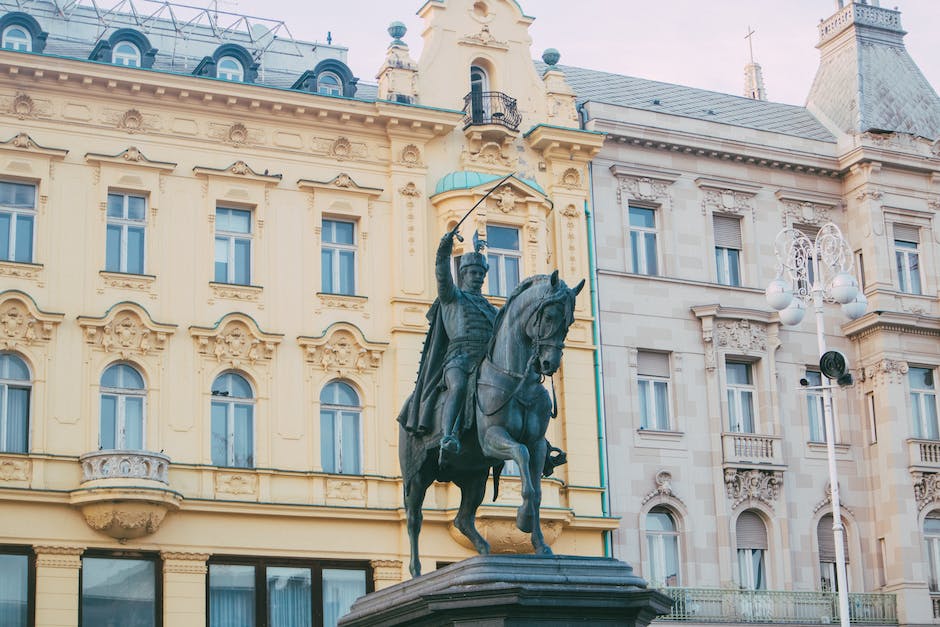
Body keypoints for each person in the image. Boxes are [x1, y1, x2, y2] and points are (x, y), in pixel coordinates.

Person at [397, 229, 497, 459]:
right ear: (463, 274)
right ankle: (448, 435)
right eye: (473, 272)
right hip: (458, 359)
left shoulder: (492, 309)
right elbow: (442, 273)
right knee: (459, 386)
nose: (478, 277)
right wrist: (445, 246)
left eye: (481, 273)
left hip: (485, 362)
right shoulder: (452, 296)